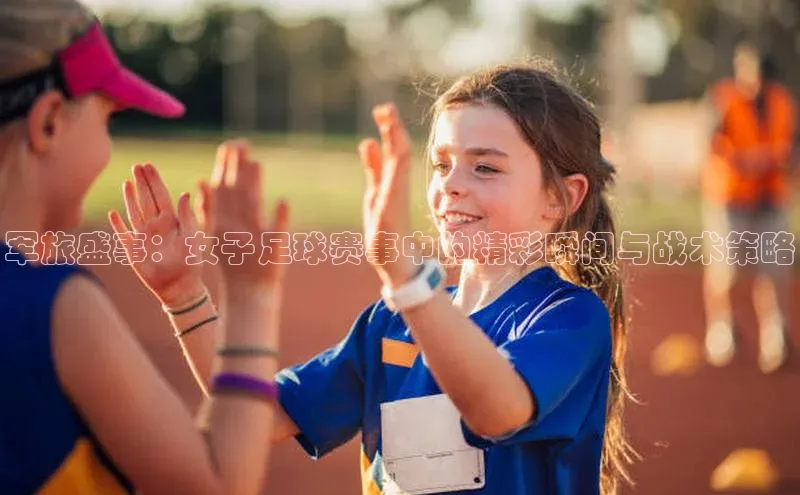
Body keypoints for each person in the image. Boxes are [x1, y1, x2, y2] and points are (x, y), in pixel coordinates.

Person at [138, 61, 635, 495]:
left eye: (484, 167)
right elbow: (261, 415)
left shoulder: (567, 317)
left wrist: (408, 282)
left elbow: (496, 411)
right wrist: (185, 297)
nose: (452, 186)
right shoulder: (391, 319)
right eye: (441, 164)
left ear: (561, 198)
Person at [0, 2, 290, 494]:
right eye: (107, 119)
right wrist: (250, 295)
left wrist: (183, 295)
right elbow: (216, 485)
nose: (108, 144)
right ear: (48, 122)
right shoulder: (58, 307)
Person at [700, 42, 796, 373]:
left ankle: (775, 334)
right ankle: (722, 327)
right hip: (731, 199)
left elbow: (792, 148)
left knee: (774, 270)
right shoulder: (724, 100)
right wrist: (748, 161)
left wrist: (783, 164)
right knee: (725, 271)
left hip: (770, 199)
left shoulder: (782, 103)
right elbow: (710, 145)